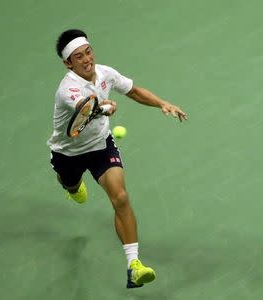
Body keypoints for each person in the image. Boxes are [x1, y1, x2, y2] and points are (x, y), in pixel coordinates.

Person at [47, 29, 187, 289]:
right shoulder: (67, 90)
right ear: (68, 63)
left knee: (120, 197)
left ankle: (134, 266)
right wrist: (105, 107)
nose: (87, 59)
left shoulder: (105, 73)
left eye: (88, 52)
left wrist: (161, 103)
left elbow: (133, 90)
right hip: (68, 153)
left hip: (101, 147)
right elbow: (85, 108)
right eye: (79, 57)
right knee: (71, 185)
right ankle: (72, 186)